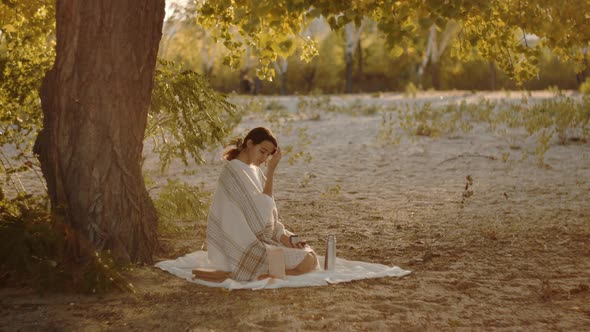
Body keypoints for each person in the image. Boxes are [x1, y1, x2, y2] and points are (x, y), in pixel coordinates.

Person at [197, 127, 319, 282]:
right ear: (249, 143)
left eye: (268, 154)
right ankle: (264, 273)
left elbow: (267, 215)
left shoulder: (254, 170)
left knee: (310, 255)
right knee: (307, 261)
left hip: (261, 237)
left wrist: (283, 238)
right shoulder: (233, 171)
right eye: (262, 151)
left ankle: (271, 273)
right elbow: (261, 218)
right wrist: (271, 172)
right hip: (243, 247)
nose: (265, 158)